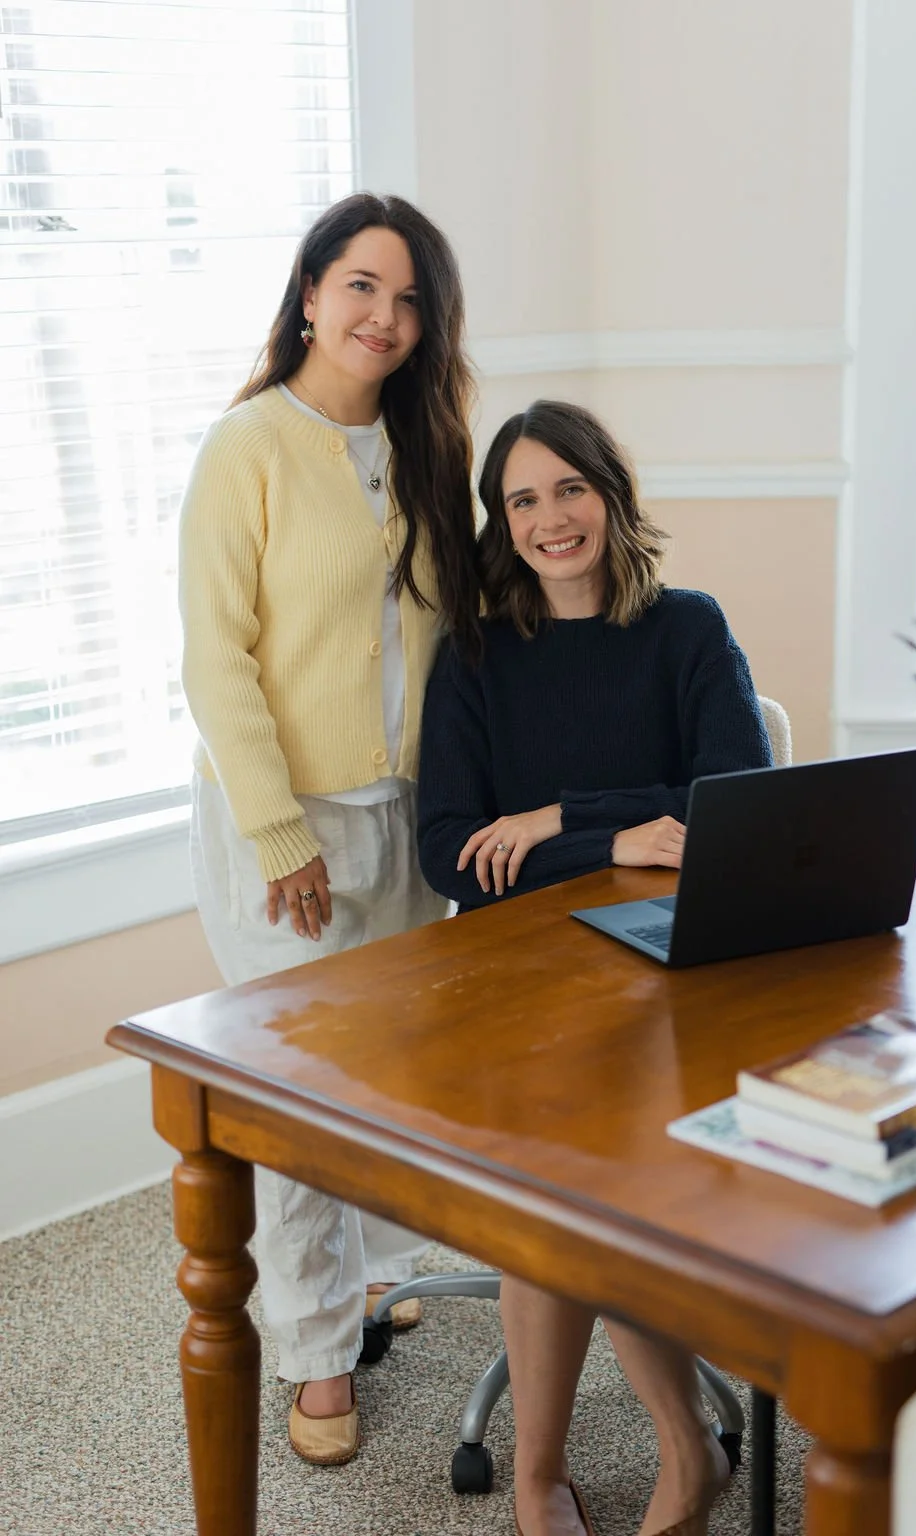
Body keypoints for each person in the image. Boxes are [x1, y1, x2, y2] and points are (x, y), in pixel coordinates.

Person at [417, 400, 772, 1536]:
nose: (550, 519)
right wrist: (606, 838)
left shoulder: (688, 629)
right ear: (499, 522)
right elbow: (453, 850)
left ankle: (646, 1450)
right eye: (522, 499)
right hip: (520, 973)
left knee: (578, 1173)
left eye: (569, 489)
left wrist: (569, 817)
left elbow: (734, 807)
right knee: (560, 1172)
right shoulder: (472, 658)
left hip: (672, 961)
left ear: (611, 497)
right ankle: (547, 1470)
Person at [178, 192, 480, 1467]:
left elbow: (454, 647)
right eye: (362, 286)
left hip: (407, 821)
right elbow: (215, 661)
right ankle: (310, 1357)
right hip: (284, 830)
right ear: (309, 292)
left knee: (388, 1087)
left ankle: (357, 1289)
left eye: (409, 299)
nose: (385, 318)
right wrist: (277, 836)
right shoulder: (245, 448)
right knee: (300, 1101)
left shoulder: (426, 447)